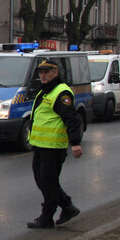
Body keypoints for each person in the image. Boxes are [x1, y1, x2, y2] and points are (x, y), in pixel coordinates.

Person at [26, 59, 83, 229]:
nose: (42, 75)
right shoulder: (45, 91)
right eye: (40, 72)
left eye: (46, 72)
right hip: (41, 145)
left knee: (48, 181)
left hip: (53, 146)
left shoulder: (61, 92)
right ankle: (67, 206)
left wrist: (75, 143)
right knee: (44, 181)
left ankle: (48, 216)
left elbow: (72, 119)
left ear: (55, 73)